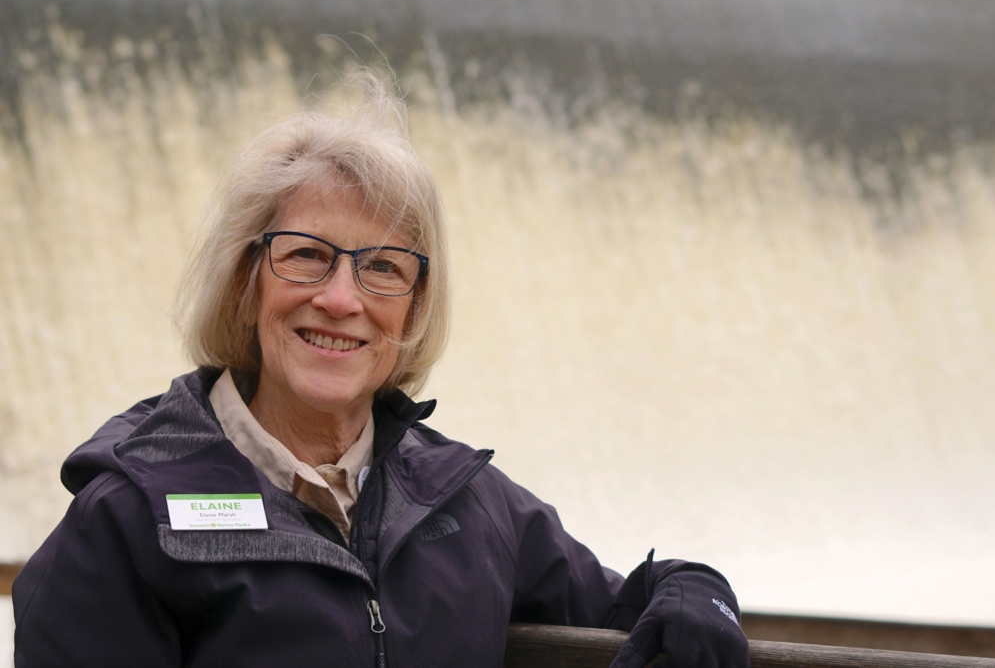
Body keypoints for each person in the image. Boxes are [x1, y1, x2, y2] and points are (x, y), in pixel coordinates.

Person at [12, 73, 749, 668]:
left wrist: (699, 590)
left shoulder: (467, 504)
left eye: (383, 267)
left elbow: (626, 601)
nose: (341, 299)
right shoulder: (127, 518)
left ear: (415, 307)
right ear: (246, 279)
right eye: (306, 254)